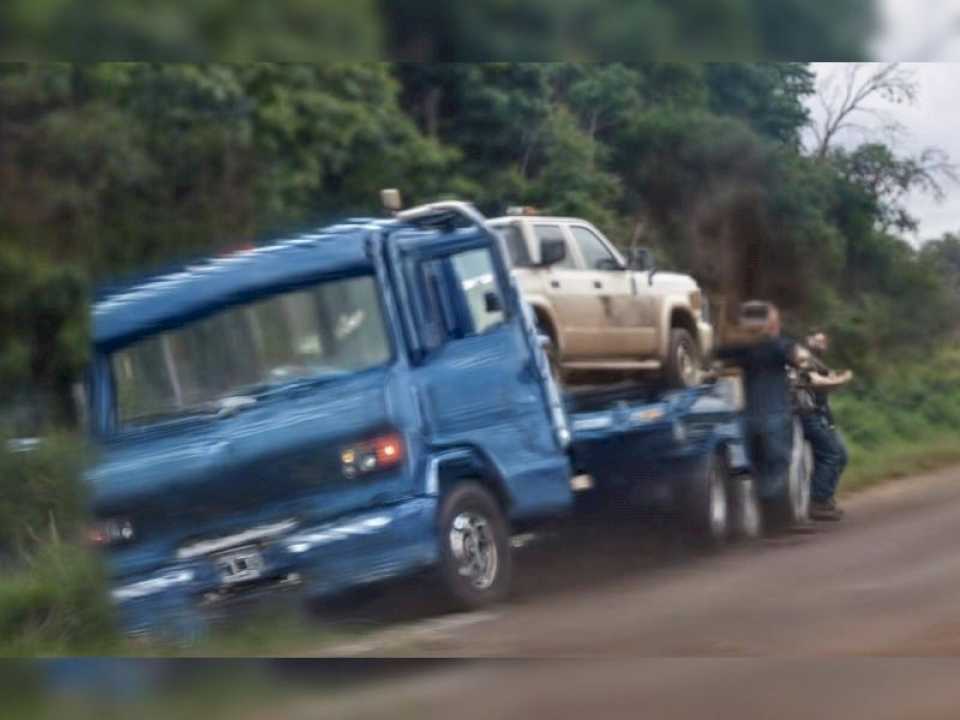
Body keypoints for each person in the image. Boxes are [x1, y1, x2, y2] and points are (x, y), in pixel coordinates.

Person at [717, 303, 799, 504]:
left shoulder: (747, 349)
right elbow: (794, 356)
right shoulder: (776, 346)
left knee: (759, 464)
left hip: (750, 417)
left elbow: (717, 353)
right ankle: (766, 503)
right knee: (777, 464)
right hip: (772, 416)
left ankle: (761, 501)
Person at [795, 332, 852, 521]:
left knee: (840, 455)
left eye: (823, 340)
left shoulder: (817, 361)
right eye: (816, 339)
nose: (821, 343)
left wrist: (835, 377)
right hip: (809, 414)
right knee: (832, 454)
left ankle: (825, 498)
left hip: (821, 415)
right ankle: (818, 501)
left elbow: (823, 378)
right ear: (807, 339)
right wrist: (840, 380)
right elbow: (815, 381)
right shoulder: (803, 358)